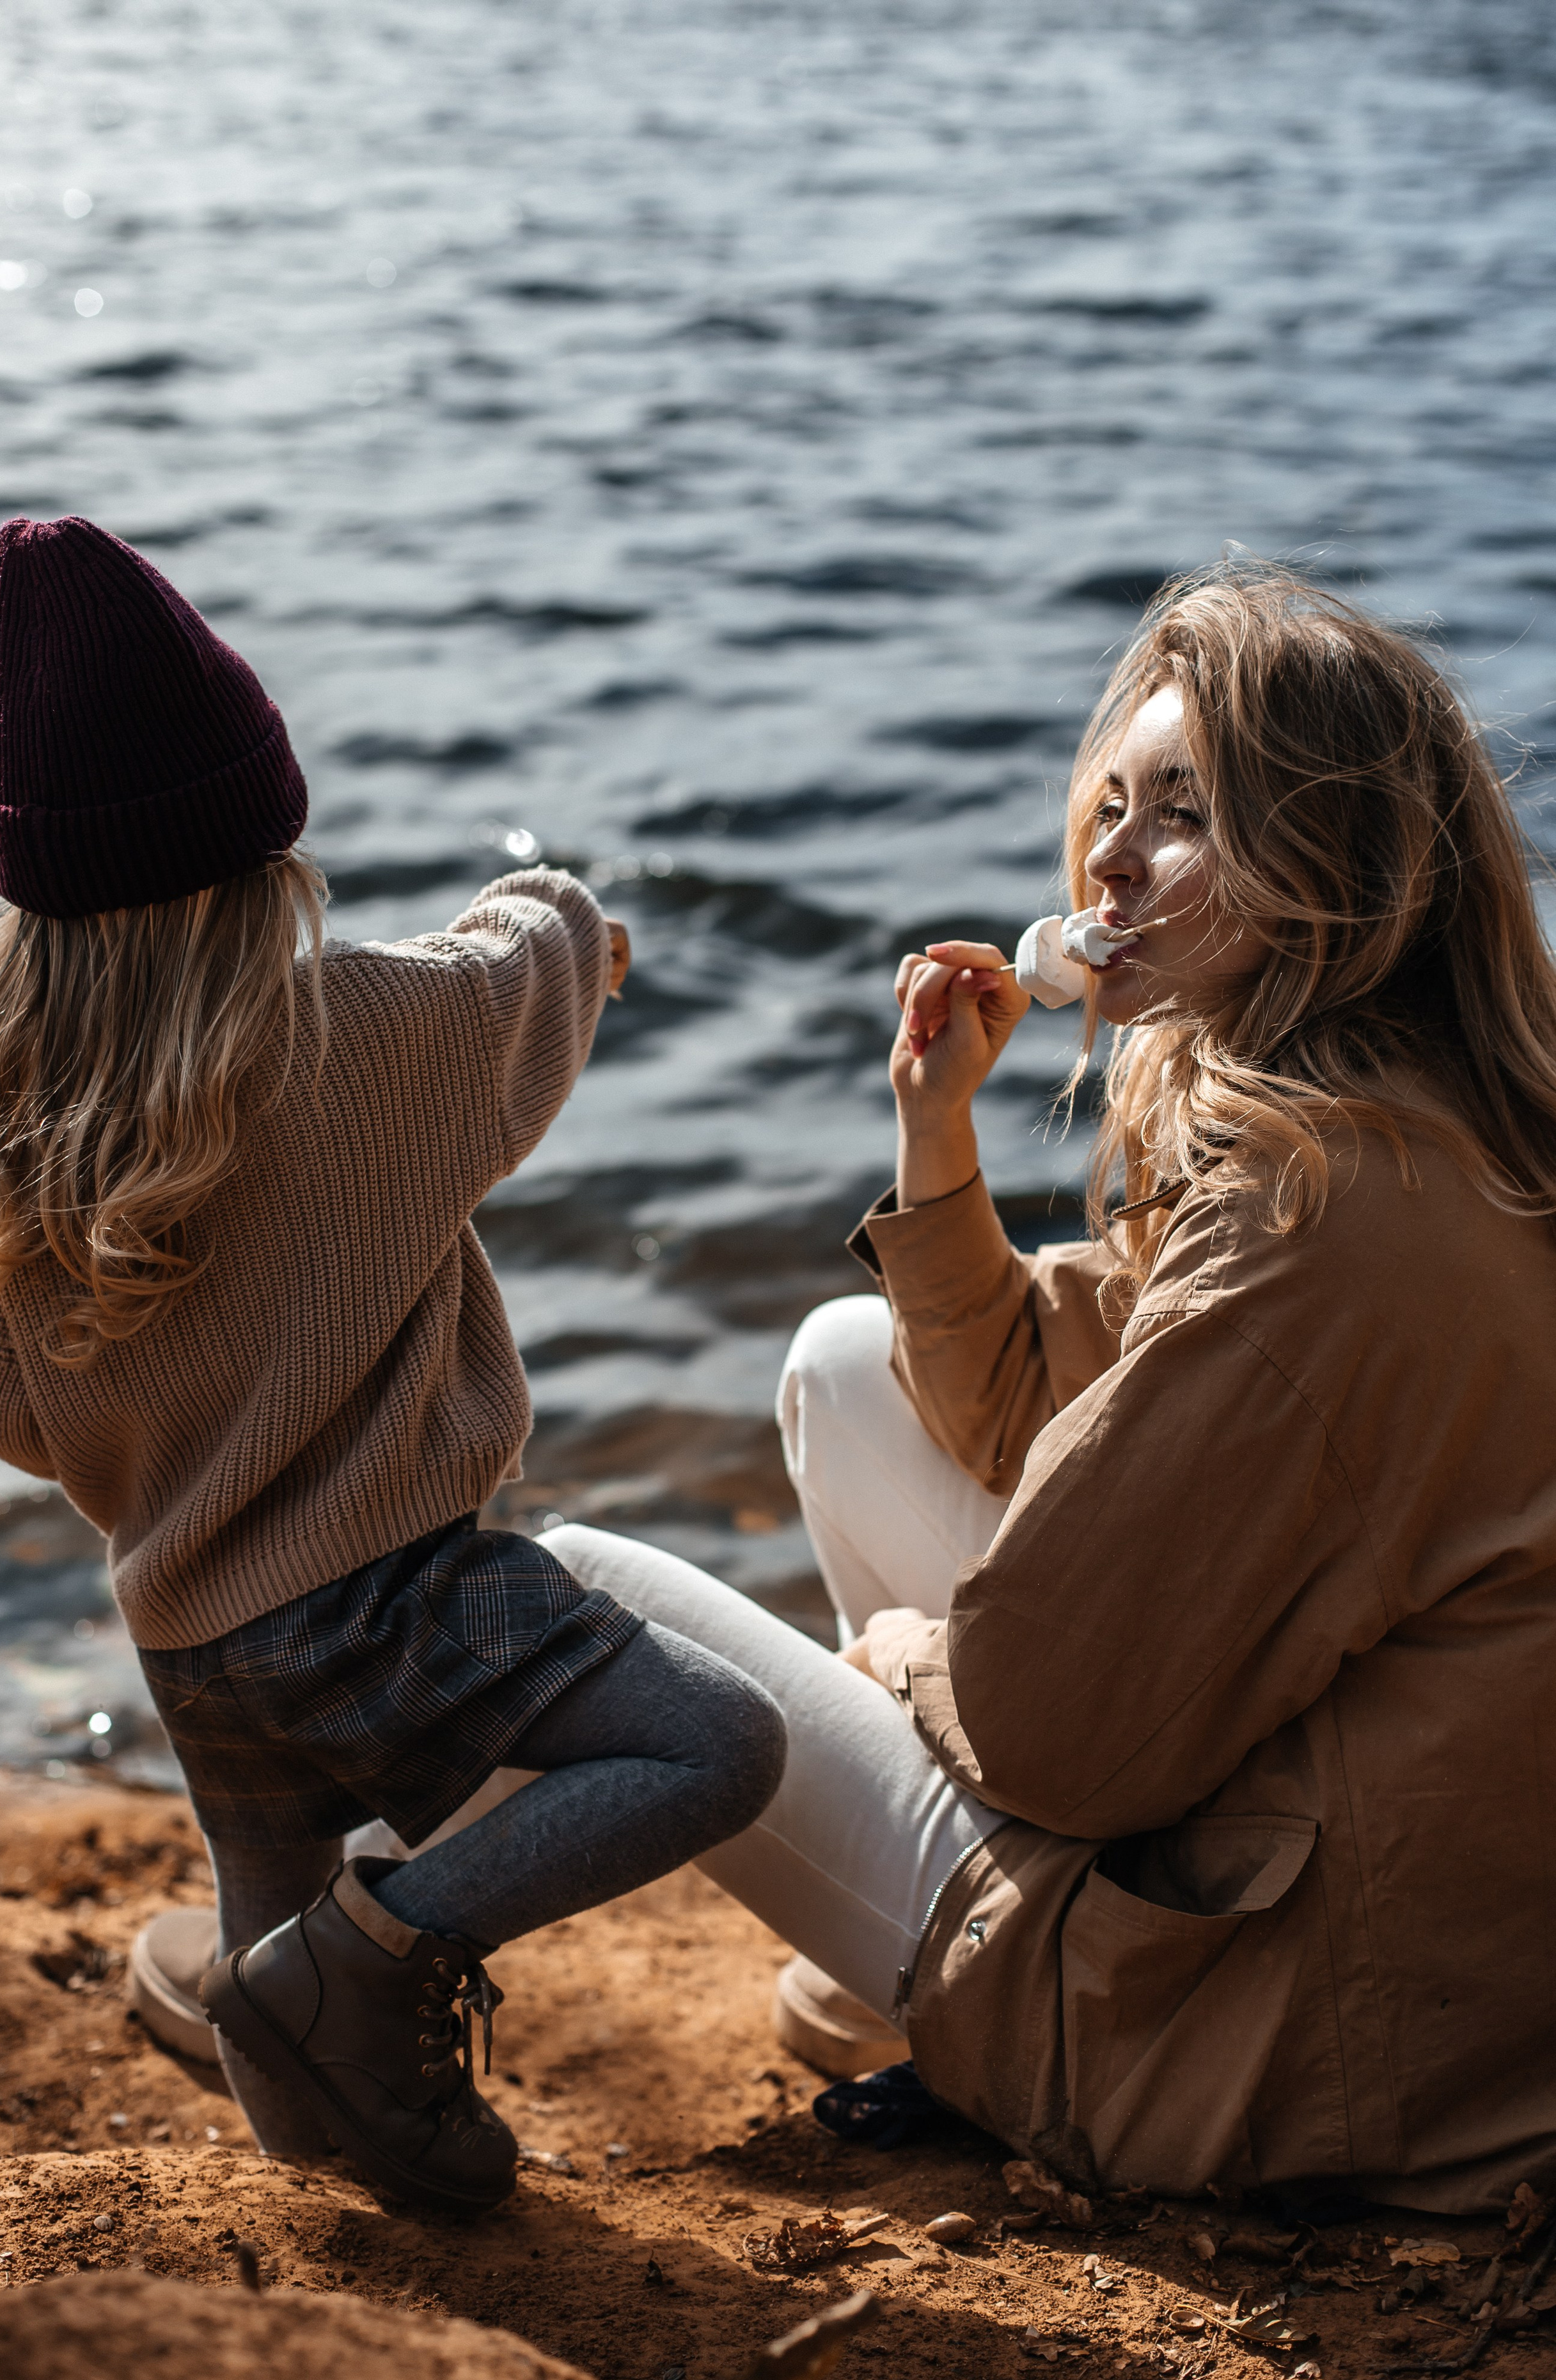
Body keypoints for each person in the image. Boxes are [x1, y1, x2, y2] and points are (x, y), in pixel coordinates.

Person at [539, 562, 1556, 2212]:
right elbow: (1034, 1399)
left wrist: (911, 1661)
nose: (1112, 857)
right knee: (845, 1364)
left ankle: (341, 1957)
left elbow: (1045, 1731)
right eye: (1115, 804)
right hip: (1430, 1958)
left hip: (1291, 2045)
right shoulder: (1414, 1122)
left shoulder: (1310, 1217)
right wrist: (937, 1132)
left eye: (1188, 814)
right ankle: (925, 1965)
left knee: (576, 1600)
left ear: (1335, 865)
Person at [0, 516, 785, 2215]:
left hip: (193, 1631)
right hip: (395, 1596)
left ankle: (327, 2151)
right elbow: (544, 952)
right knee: (713, 1749)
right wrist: (573, 920)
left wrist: (164, 1425)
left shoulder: (14, 1138)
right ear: (266, 846)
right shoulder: (378, 1035)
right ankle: (393, 1940)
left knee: (266, 1913)